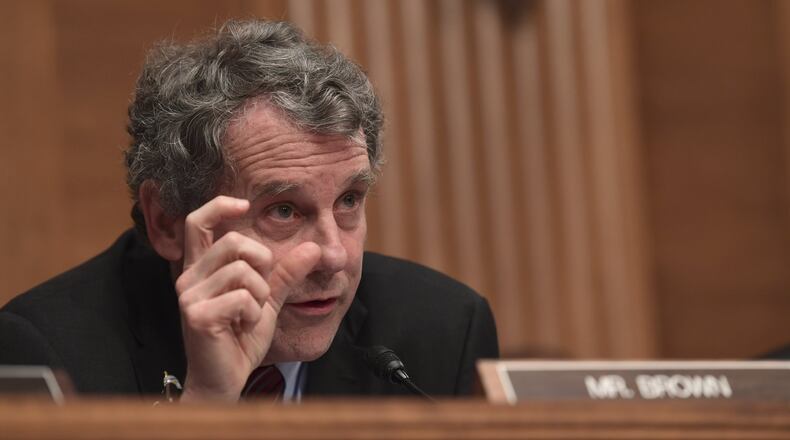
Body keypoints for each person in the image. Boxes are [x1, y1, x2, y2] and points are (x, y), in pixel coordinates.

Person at [0, 19, 497, 402]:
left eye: (348, 201)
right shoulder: (51, 354)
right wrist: (207, 402)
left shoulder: (443, 332)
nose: (334, 256)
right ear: (167, 222)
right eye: (284, 211)